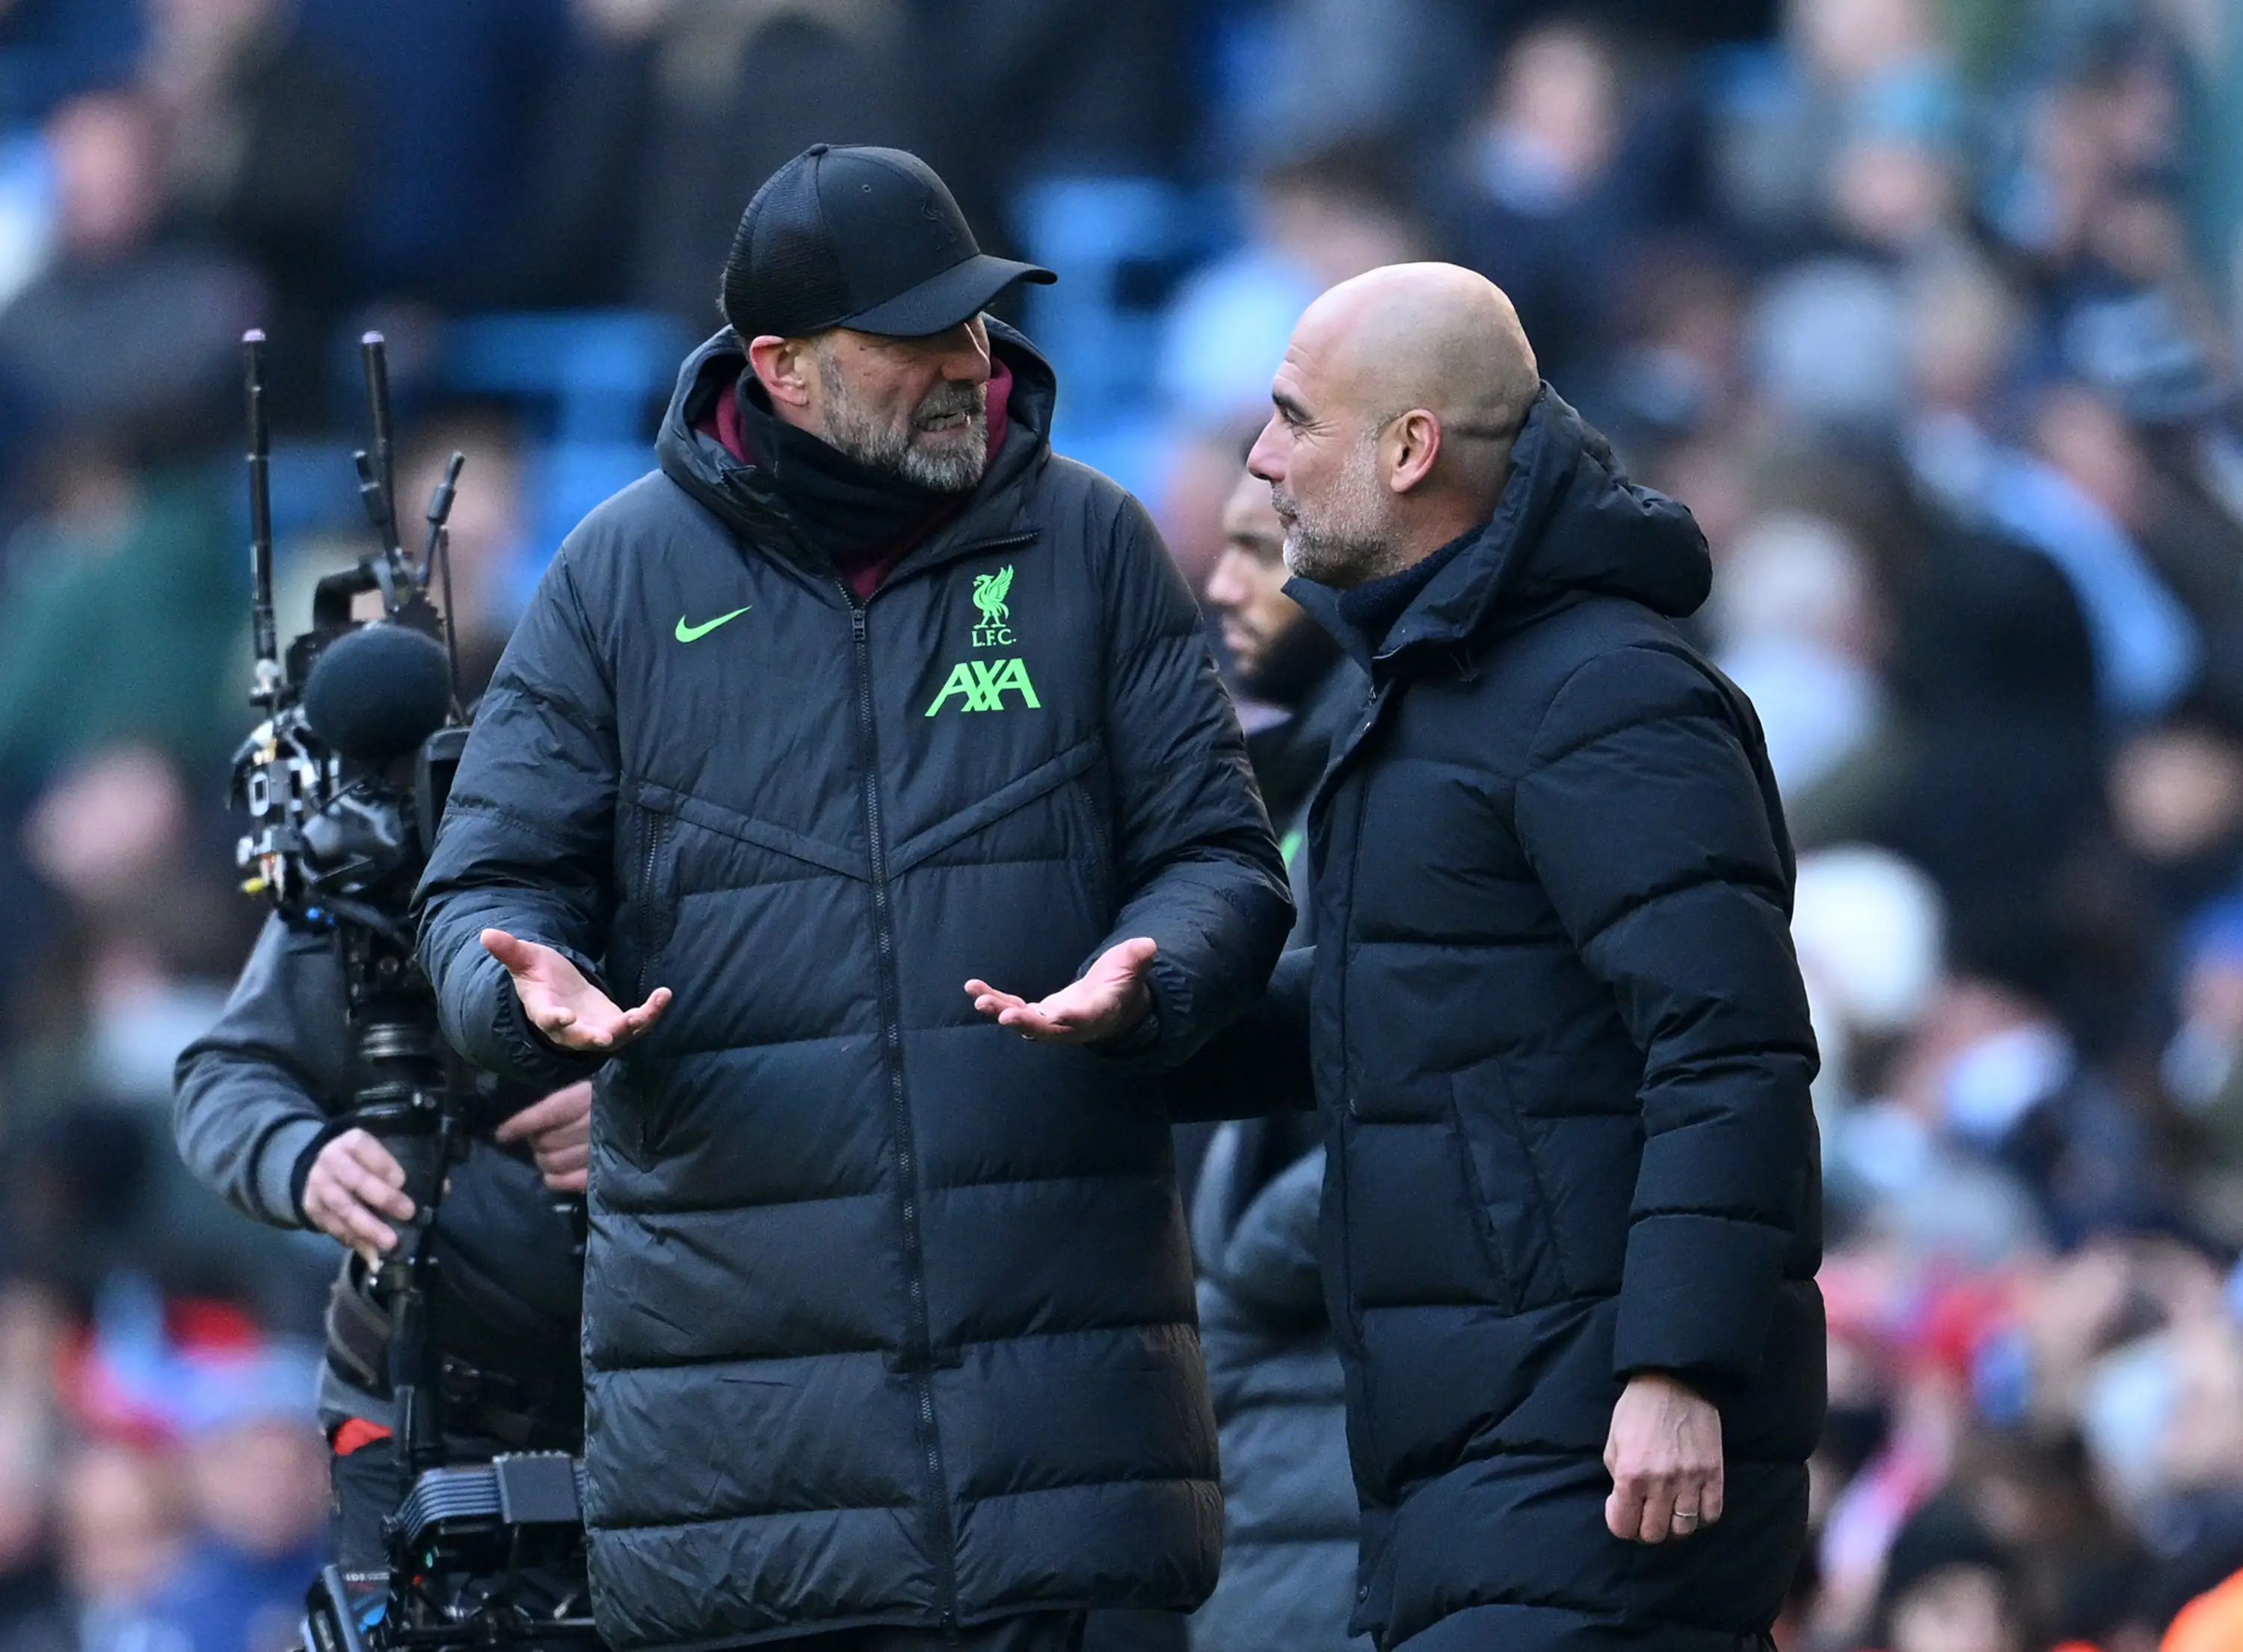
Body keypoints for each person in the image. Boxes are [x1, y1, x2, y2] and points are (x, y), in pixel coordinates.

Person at [413, 144, 1292, 1652]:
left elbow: (1222, 855)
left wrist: (1157, 962)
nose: (968, 365)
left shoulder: (1092, 544)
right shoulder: (617, 579)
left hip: (1059, 1449)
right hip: (744, 1477)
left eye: (974, 323)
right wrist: (523, 988)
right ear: (783, 368)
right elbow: (484, 887)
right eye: (916, 338)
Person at [1129, 264, 1825, 1651]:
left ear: (1410, 448)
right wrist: (1141, 1019)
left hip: (1599, 1463)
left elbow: (1730, 1050)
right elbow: (1394, 1002)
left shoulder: (1607, 694)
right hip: (1481, 1458)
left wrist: (1676, 1367)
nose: (1259, 461)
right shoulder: (1431, 688)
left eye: (1293, 420)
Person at [173, 916, 594, 1566]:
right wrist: (300, 1157)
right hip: (424, 1400)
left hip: (701, 1399)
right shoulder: (380, 866)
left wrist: (655, 1113)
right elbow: (227, 1074)